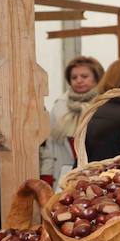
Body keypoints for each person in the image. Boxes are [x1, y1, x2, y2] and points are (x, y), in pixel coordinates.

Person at [40, 56, 105, 189]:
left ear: (96, 77)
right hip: (64, 171)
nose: (79, 80)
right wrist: (46, 174)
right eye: (74, 77)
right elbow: (50, 144)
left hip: (97, 171)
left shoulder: (103, 104)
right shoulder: (59, 106)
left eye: (84, 76)